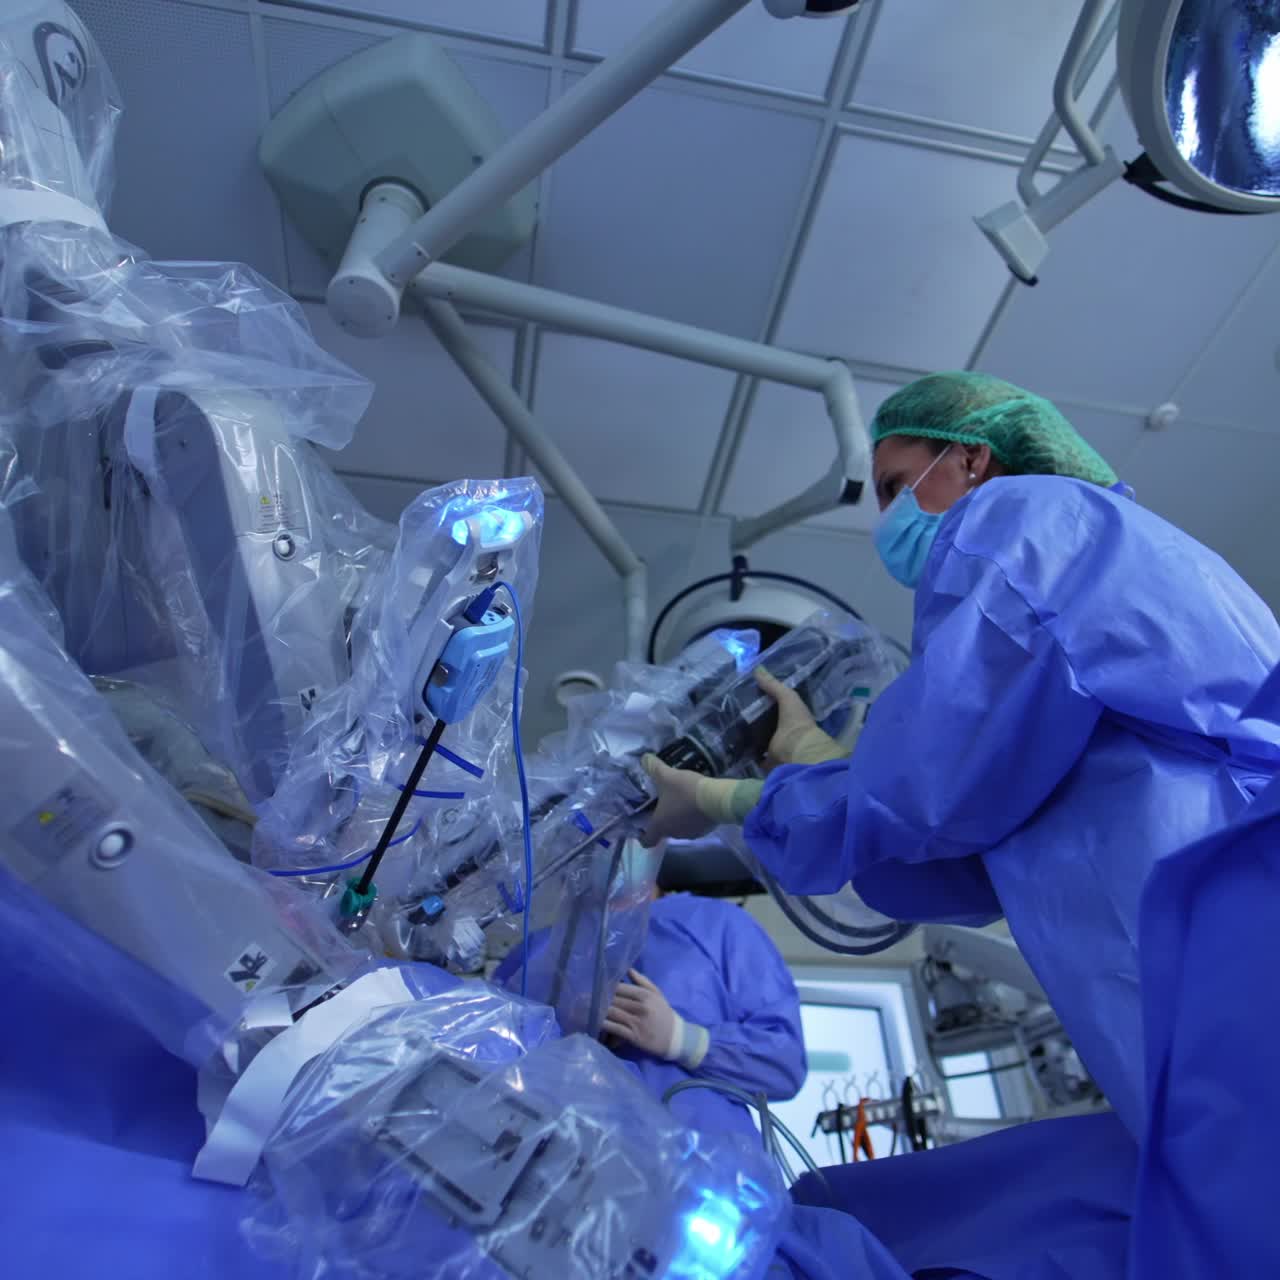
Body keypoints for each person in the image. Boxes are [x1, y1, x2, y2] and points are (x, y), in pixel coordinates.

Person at [640, 370, 1280, 1140]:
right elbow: (961, 853)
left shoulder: (1021, 518)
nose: (887, 516)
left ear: (971, 461)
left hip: (1224, 929)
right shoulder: (1111, 550)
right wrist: (813, 765)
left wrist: (724, 801)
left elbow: (921, 795)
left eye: (896, 483)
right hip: (1214, 922)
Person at [496, 882, 806, 1143]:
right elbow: (481, 1068)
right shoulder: (533, 952)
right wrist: (566, 1035)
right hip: (571, 1179)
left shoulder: (717, 924)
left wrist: (682, 1039)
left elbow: (784, 1062)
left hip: (711, 1177)